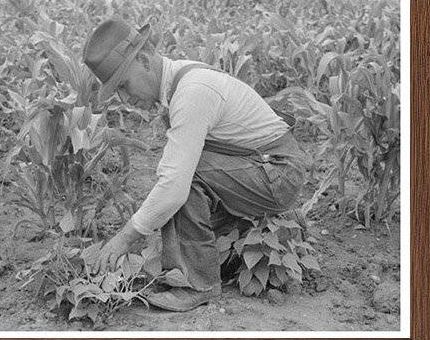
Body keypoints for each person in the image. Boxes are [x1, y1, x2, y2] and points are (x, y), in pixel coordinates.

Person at [82, 16, 307, 312]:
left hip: (279, 173)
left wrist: (125, 238)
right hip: (260, 166)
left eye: (124, 85)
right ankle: (218, 256)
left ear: (146, 61)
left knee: (183, 178)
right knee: (177, 177)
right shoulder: (180, 80)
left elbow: (174, 186)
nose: (125, 98)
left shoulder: (192, 93)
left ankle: (197, 285)